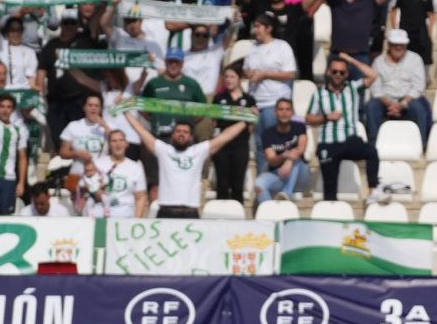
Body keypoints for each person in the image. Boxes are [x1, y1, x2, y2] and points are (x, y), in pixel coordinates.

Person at [124, 107, 247, 218]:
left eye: (185, 132)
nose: (181, 134)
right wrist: (126, 112)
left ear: (191, 137)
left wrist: (246, 121)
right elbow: (141, 131)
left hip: (190, 212)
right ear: (172, 135)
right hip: (166, 211)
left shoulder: (198, 151)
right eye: (178, 131)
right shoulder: (164, 151)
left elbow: (226, 136)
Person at [307, 57, 379, 203]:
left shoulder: (352, 88)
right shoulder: (319, 94)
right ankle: (331, 215)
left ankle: (373, 192)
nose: (338, 75)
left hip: (349, 140)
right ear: (328, 72)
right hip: (328, 142)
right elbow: (308, 119)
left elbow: (373, 75)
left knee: (371, 151)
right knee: (330, 186)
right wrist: (327, 117)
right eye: (335, 71)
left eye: (342, 72)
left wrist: (351, 60)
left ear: (346, 74)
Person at [343, 31, 431, 149]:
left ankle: (422, 144)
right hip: (385, 100)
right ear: (389, 44)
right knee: (371, 107)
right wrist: (391, 104)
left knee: (419, 108)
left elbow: (418, 86)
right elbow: (376, 89)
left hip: (408, 99)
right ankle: (374, 144)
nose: (399, 47)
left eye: (402, 44)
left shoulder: (415, 59)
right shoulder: (379, 61)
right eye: (395, 44)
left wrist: (402, 103)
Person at [210, 65, 253, 204]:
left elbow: (251, 128)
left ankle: (238, 219)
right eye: (226, 77)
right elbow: (213, 123)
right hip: (222, 146)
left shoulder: (249, 100)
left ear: (239, 79)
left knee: (237, 186)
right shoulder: (219, 98)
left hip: (240, 145)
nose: (228, 80)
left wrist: (254, 117)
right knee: (222, 185)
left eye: (232, 77)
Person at [255, 96, 311, 204]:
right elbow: (271, 160)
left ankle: (287, 194)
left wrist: (289, 160)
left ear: (292, 112)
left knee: (296, 160)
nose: (284, 113)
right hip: (278, 174)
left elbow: (301, 149)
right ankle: (269, 214)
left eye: (287, 109)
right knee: (258, 185)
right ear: (275, 112)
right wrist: (284, 156)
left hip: (300, 175)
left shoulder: (299, 127)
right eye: (281, 109)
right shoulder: (268, 133)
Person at [85, 129, 148, 218]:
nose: (118, 144)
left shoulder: (136, 167)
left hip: (125, 215)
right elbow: (87, 183)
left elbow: (141, 197)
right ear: (109, 144)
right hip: (99, 213)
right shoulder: (97, 163)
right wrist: (95, 191)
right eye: (114, 141)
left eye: (121, 140)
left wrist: (137, 220)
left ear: (127, 144)